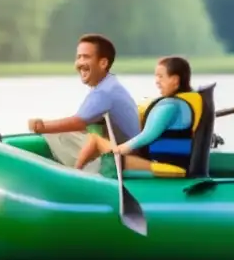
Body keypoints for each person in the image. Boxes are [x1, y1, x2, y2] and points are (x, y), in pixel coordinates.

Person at [27, 33, 140, 175]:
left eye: (86, 57)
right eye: (78, 57)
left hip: (121, 158)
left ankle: (77, 174)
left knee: (55, 133)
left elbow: (78, 122)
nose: (80, 63)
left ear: (103, 63)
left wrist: (42, 127)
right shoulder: (110, 84)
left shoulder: (104, 91)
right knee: (63, 128)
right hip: (119, 150)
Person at [75, 56, 203, 176]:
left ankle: (75, 174)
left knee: (97, 142)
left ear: (175, 79)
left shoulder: (171, 106)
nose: (157, 81)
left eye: (161, 76)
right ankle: (80, 171)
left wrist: (122, 148)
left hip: (168, 166)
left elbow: (148, 135)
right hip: (165, 161)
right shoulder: (179, 103)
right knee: (99, 141)